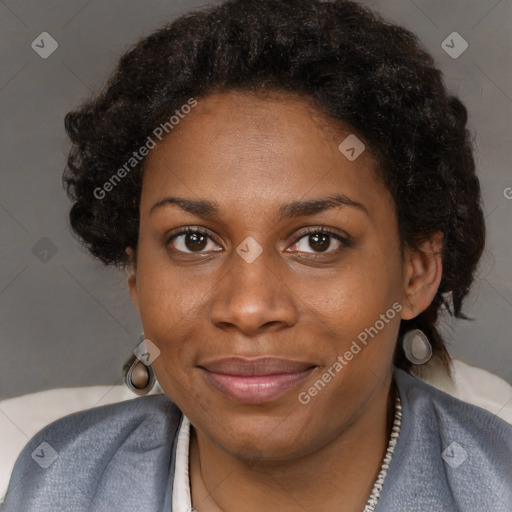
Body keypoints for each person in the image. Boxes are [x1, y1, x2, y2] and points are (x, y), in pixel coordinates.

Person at [3, 0, 511, 510]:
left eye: (318, 241)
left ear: (416, 272)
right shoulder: (49, 481)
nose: (248, 308)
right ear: (136, 274)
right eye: (194, 240)